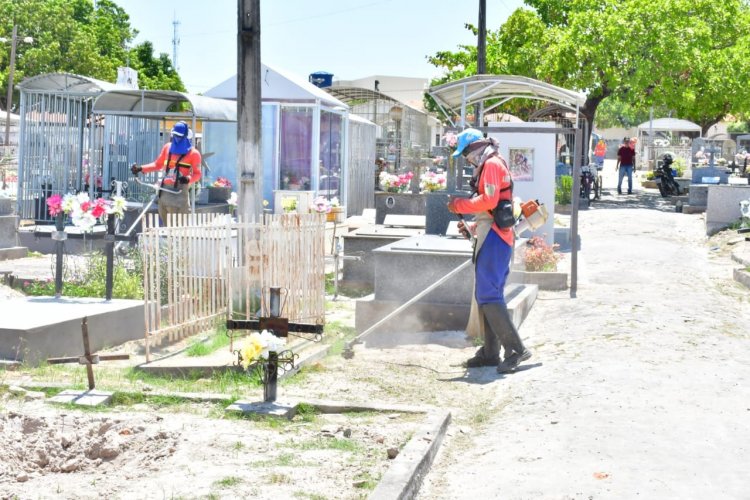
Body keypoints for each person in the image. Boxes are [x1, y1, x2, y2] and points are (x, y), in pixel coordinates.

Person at [446, 128, 532, 374]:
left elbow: (490, 202)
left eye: (466, 153)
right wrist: (472, 226)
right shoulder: (489, 164)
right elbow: (491, 207)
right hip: (492, 233)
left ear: (477, 147)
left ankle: (515, 350)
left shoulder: (492, 164)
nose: (467, 159)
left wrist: (459, 204)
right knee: (487, 294)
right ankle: (490, 353)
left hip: (497, 237)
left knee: (488, 293)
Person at [130, 121, 202, 224]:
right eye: (175, 135)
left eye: (179, 136)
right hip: (164, 192)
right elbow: (157, 164)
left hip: (180, 193)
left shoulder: (194, 154)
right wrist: (141, 168)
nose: (176, 138)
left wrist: (188, 179)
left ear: (187, 136)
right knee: (166, 225)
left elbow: (197, 174)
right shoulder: (167, 148)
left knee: (179, 226)